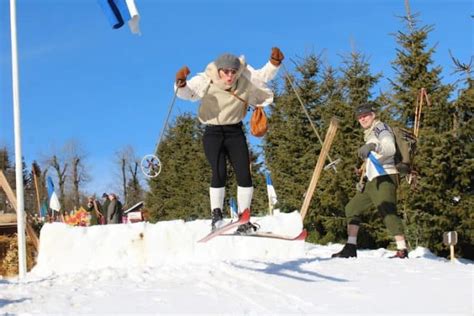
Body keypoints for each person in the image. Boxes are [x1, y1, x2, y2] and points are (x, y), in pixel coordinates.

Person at [175, 47, 284, 233]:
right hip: (213, 132)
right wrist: (181, 83)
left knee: (244, 173)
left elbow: (262, 76)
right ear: (218, 70)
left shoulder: (244, 77)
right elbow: (189, 93)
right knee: (219, 172)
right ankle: (216, 215)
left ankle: (244, 217)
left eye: (233, 72)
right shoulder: (206, 79)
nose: (230, 76)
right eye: (226, 72)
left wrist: (274, 63)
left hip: (235, 131)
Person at [332, 103, 409, 259]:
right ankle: (351, 246)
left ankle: (402, 249)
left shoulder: (381, 128)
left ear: (373, 115)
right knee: (352, 208)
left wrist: (374, 146)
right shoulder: (369, 133)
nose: (363, 119)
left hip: (386, 176)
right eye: (360, 117)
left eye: (365, 115)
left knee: (386, 210)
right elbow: (373, 160)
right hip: (373, 179)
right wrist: (363, 173)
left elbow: (390, 149)